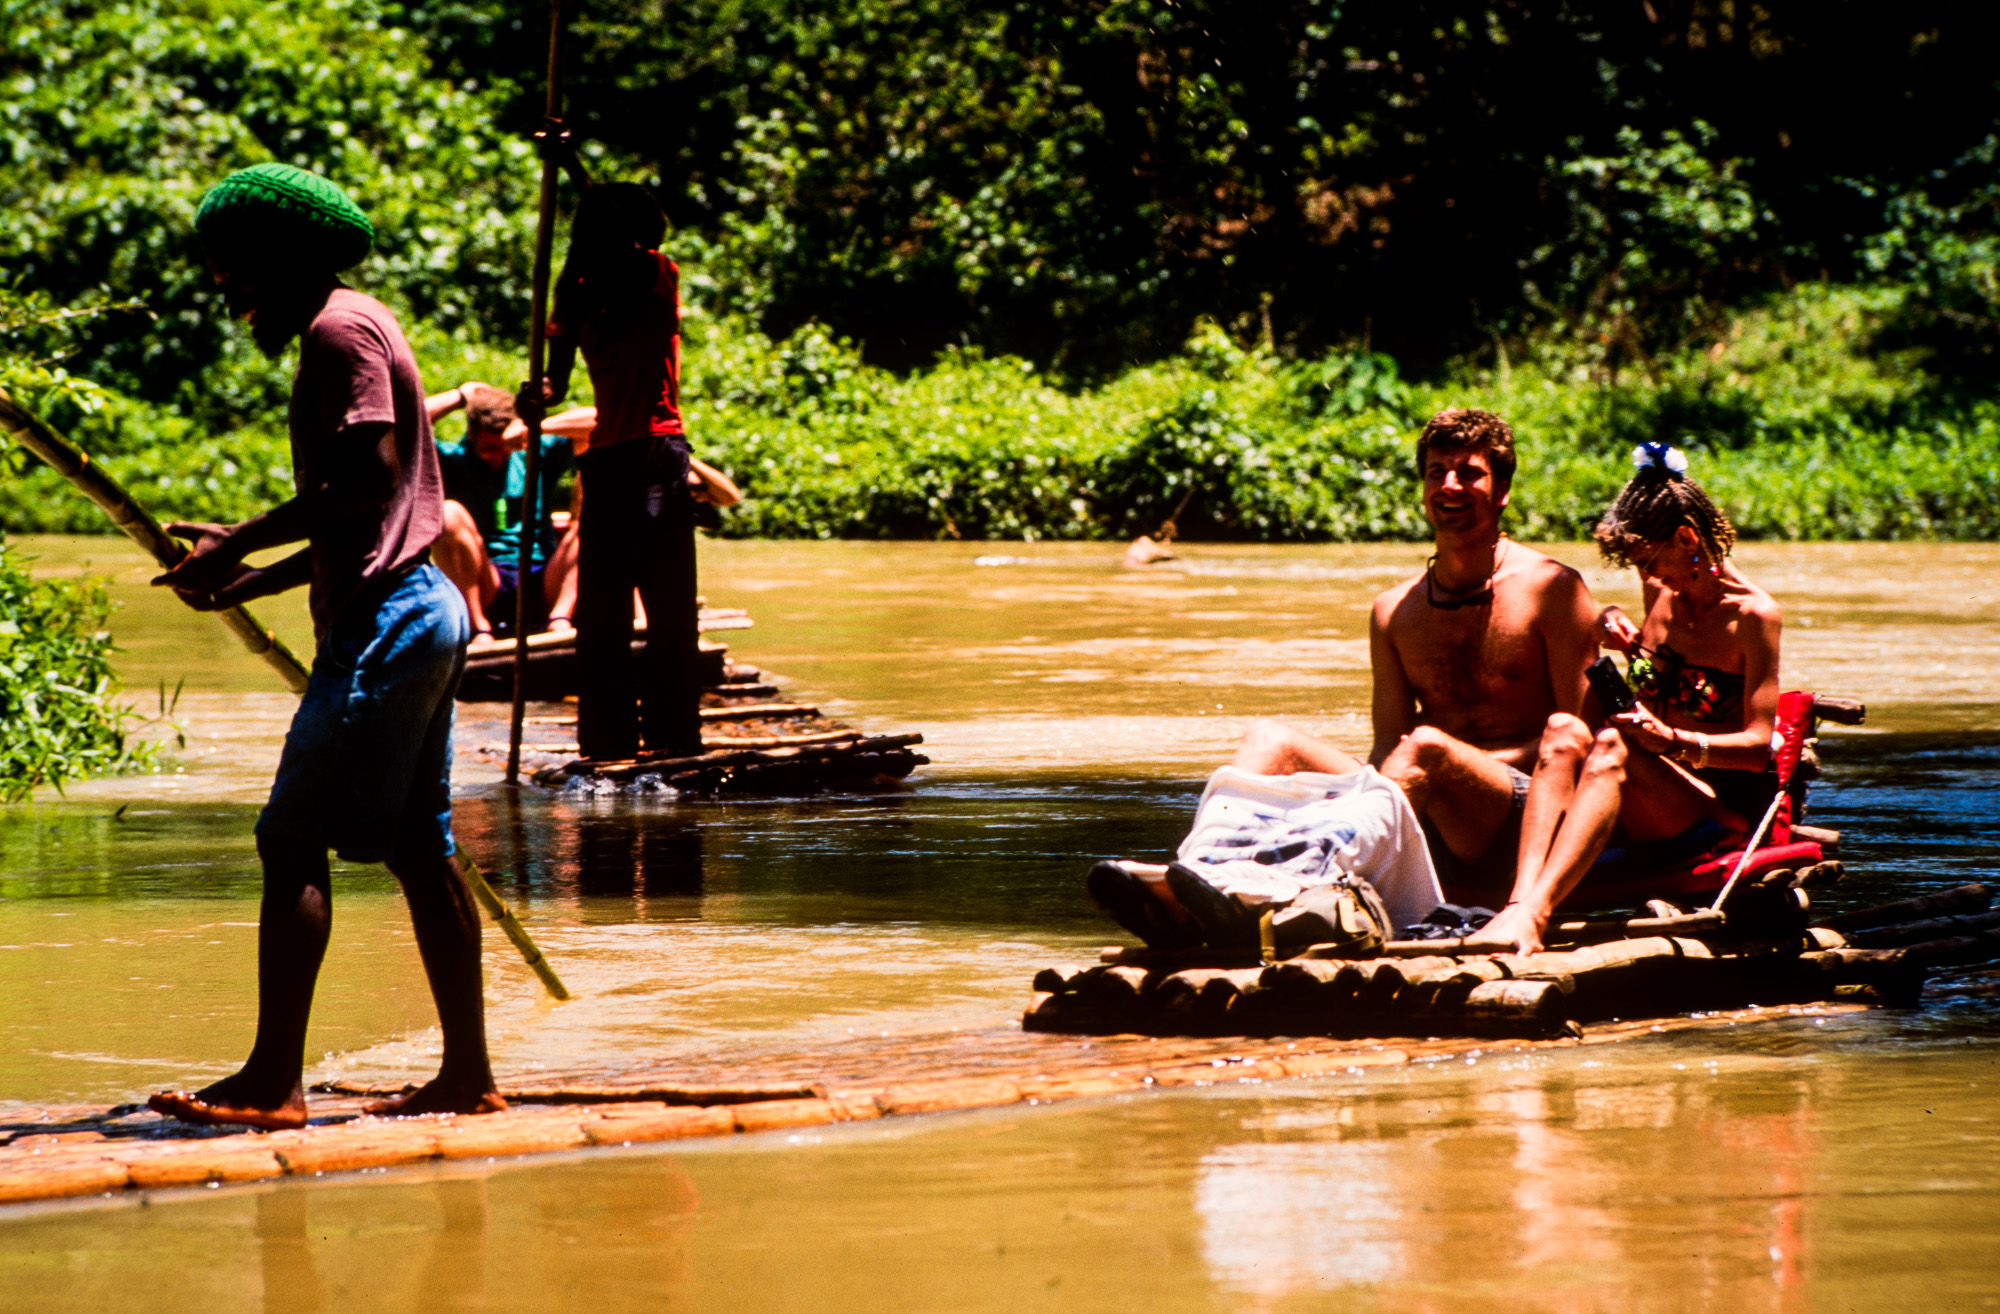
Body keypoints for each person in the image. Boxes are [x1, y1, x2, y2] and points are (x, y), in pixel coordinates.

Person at [145, 163, 501, 1128]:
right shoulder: (364, 316)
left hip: (389, 621)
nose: (229, 292)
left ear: (279, 254)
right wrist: (250, 579)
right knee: (422, 851)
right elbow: (371, 516)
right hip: (419, 605)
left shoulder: (336, 332)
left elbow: (369, 488)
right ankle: (467, 1076)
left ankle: (273, 1084)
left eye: (235, 271)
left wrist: (238, 540)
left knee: (291, 837)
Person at [1221, 408, 1601, 890]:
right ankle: (1205, 872)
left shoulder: (1554, 590)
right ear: (1423, 490)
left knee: (1425, 749)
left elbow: (1585, 735)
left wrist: (1452, 765)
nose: (1450, 485)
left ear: (1502, 491)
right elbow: (1387, 743)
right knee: (1268, 740)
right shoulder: (1393, 611)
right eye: (1437, 473)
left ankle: (1314, 884)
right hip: (1424, 790)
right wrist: (1368, 786)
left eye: (1469, 474)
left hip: (1523, 807)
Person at [1467, 443, 1784, 953]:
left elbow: (1755, 747)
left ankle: (1536, 914)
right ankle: (1518, 901)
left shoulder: (1754, 617)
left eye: (1653, 563)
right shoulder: (1662, 591)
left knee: (1611, 746)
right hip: (1646, 788)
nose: (1652, 577)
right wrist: (1611, 621)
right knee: (1563, 729)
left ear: (1687, 539)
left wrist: (1672, 740)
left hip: (1706, 814)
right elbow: (1650, 658)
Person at [521, 182, 704, 761]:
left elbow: (643, 238)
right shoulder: (573, 290)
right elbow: (558, 381)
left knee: (669, 610)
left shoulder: (657, 273)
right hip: (605, 459)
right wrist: (538, 395)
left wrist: (569, 162)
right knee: (601, 617)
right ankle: (605, 745)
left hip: (657, 452)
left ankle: (676, 742)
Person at [426, 382, 580, 641]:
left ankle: (560, 618)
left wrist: (536, 427)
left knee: (592, 521)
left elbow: (597, 422)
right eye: (488, 448)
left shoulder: (535, 450)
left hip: (543, 577)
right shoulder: (454, 459)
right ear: (472, 435)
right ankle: (479, 627)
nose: (496, 455)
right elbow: (406, 424)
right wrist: (460, 396)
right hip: (488, 580)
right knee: (448, 512)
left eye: (503, 446)